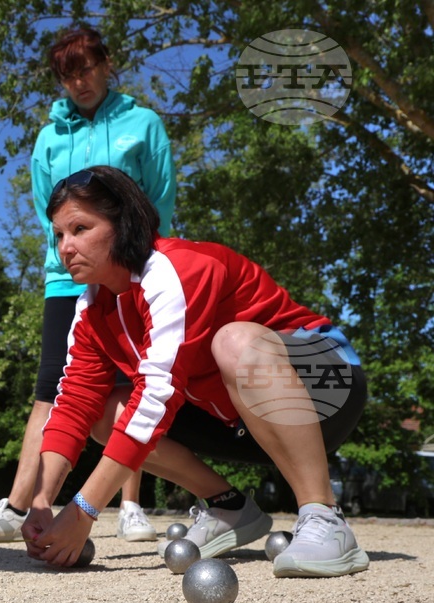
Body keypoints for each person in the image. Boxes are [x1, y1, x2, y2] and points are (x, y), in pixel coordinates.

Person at [23, 165, 369, 579]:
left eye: (80, 228)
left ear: (123, 223)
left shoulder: (176, 270)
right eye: (59, 235)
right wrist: (41, 502)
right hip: (239, 420)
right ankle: (228, 508)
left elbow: (157, 395)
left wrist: (83, 510)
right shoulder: (92, 309)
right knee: (105, 412)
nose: (65, 247)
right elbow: (74, 403)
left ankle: (324, 515)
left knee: (234, 342)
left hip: (327, 389)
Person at [0, 26, 176, 546]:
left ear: (106, 63)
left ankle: (130, 507)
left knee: (131, 387)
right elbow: (46, 210)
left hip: (131, 272)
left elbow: (159, 199)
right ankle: (19, 506)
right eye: (67, 74)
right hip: (67, 280)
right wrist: (72, 254)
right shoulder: (49, 138)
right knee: (52, 389)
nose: (79, 81)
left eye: (87, 68)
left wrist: (138, 264)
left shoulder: (143, 123)